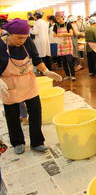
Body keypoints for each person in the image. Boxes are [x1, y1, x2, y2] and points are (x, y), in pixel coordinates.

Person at [0, 19, 62, 154]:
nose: (22, 40)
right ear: (9, 34)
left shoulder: (27, 41)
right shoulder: (1, 45)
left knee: (35, 111)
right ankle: (18, 142)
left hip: (28, 82)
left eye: (24, 37)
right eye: (19, 38)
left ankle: (37, 142)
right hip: (9, 85)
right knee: (12, 114)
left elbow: (36, 59)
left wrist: (45, 71)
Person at [53, 11, 76, 81]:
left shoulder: (68, 24)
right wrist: (58, 35)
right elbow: (54, 34)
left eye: (59, 18)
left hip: (68, 44)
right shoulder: (56, 25)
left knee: (70, 60)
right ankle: (67, 75)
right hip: (61, 45)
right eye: (56, 18)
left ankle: (73, 75)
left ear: (62, 17)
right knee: (64, 61)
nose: (57, 20)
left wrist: (62, 34)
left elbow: (71, 34)